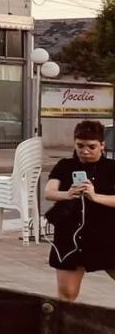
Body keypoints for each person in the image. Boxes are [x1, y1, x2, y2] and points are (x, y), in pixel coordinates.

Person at [44, 120, 115, 301]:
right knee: (66, 296)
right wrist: (67, 194)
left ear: (102, 146)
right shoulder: (65, 165)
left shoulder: (111, 168)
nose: (85, 151)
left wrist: (95, 196)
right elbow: (49, 192)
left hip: (105, 235)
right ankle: (62, 328)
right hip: (70, 238)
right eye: (80, 146)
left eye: (91, 147)